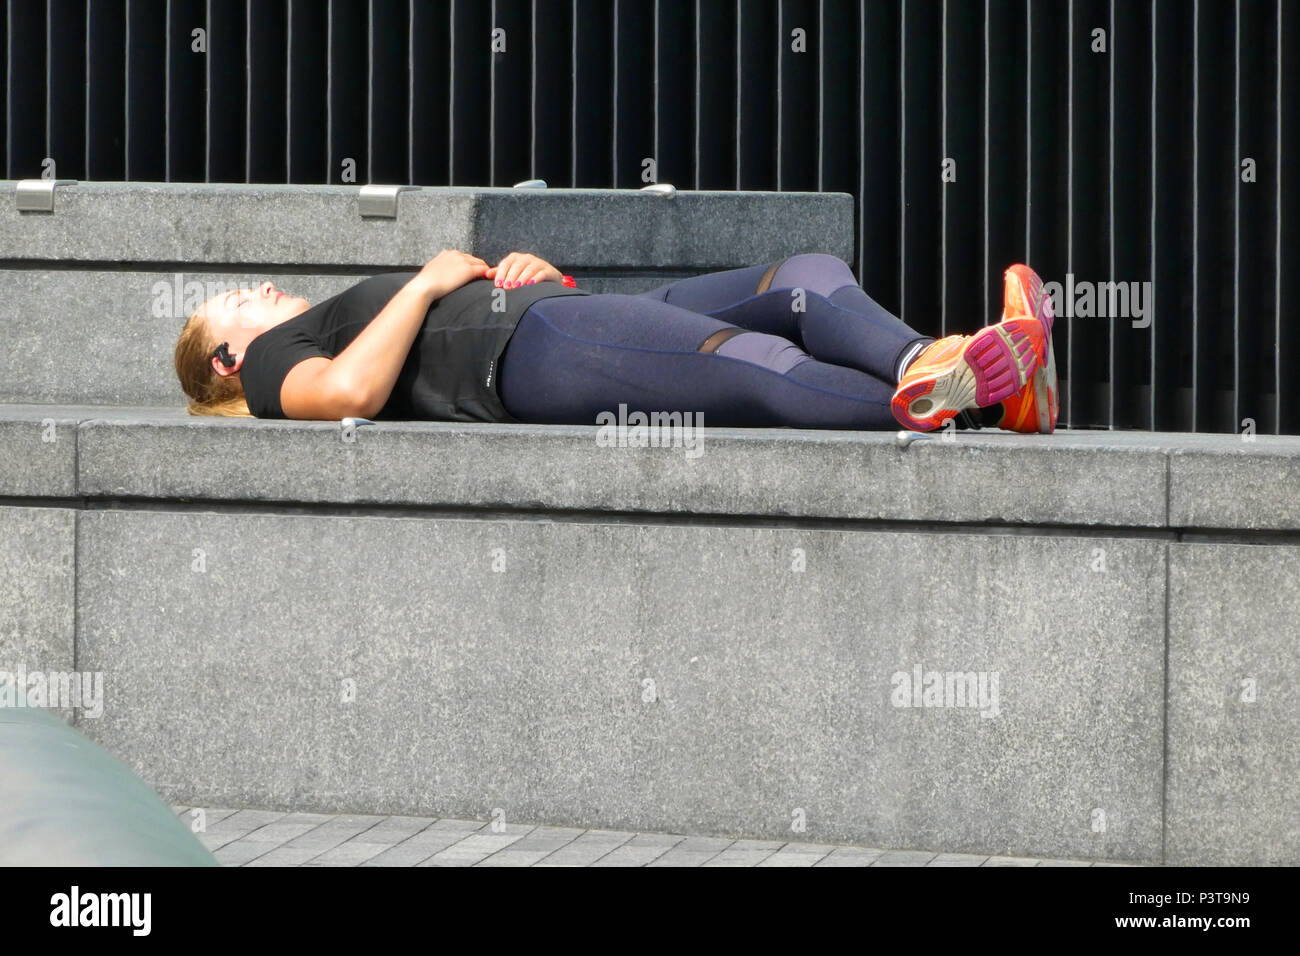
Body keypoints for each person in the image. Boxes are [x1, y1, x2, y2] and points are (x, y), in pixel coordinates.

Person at [174, 251, 1057, 434]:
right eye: (231, 302)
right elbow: (349, 398)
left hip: (559, 314)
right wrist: (431, 281)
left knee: (800, 277)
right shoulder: (271, 366)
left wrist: (526, 273)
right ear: (226, 357)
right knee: (751, 365)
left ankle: (944, 372)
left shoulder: (297, 327)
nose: (252, 291)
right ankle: (972, 386)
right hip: (530, 352)